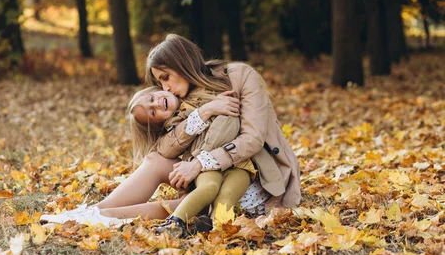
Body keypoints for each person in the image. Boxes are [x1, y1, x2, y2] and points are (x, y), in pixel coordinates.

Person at [39, 34, 301, 228]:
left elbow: (253, 140)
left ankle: (101, 219)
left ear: (181, 64)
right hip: (210, 169)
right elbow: (161, 149)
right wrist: (203, 113)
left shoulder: (240, 76)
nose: (163, 88)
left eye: (165, 77)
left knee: (200, 201)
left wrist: (199, 163)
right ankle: (89, 212)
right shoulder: (183, 97)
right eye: (159, 82)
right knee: (155, 163)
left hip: (252, 174)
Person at [126, 85, 265, 238]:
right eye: (153, 112)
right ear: (158, 123)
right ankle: (174, 223)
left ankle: (217, 229)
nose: (156, 104)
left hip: (239, 163)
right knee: (209, 187)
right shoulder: (175, 126)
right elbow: (168, 146)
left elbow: (235, 125)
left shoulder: (204, 97)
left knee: (228, 194)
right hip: (205, 166)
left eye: (152, 98)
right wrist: (202, 115)